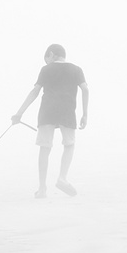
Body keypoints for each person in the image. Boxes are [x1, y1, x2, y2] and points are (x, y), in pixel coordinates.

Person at [12, 44, 89, 198]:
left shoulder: (46, 70)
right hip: (67, 111)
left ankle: (42, 189)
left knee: (45, 148)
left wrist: (19, 113)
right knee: (69, 144)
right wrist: (85, 114)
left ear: (52, 54)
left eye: (47, 59)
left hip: (47, 112)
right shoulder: (76, 69)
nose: (47, 62)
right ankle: (62, 178)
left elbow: (35, 92)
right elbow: (85, 89)